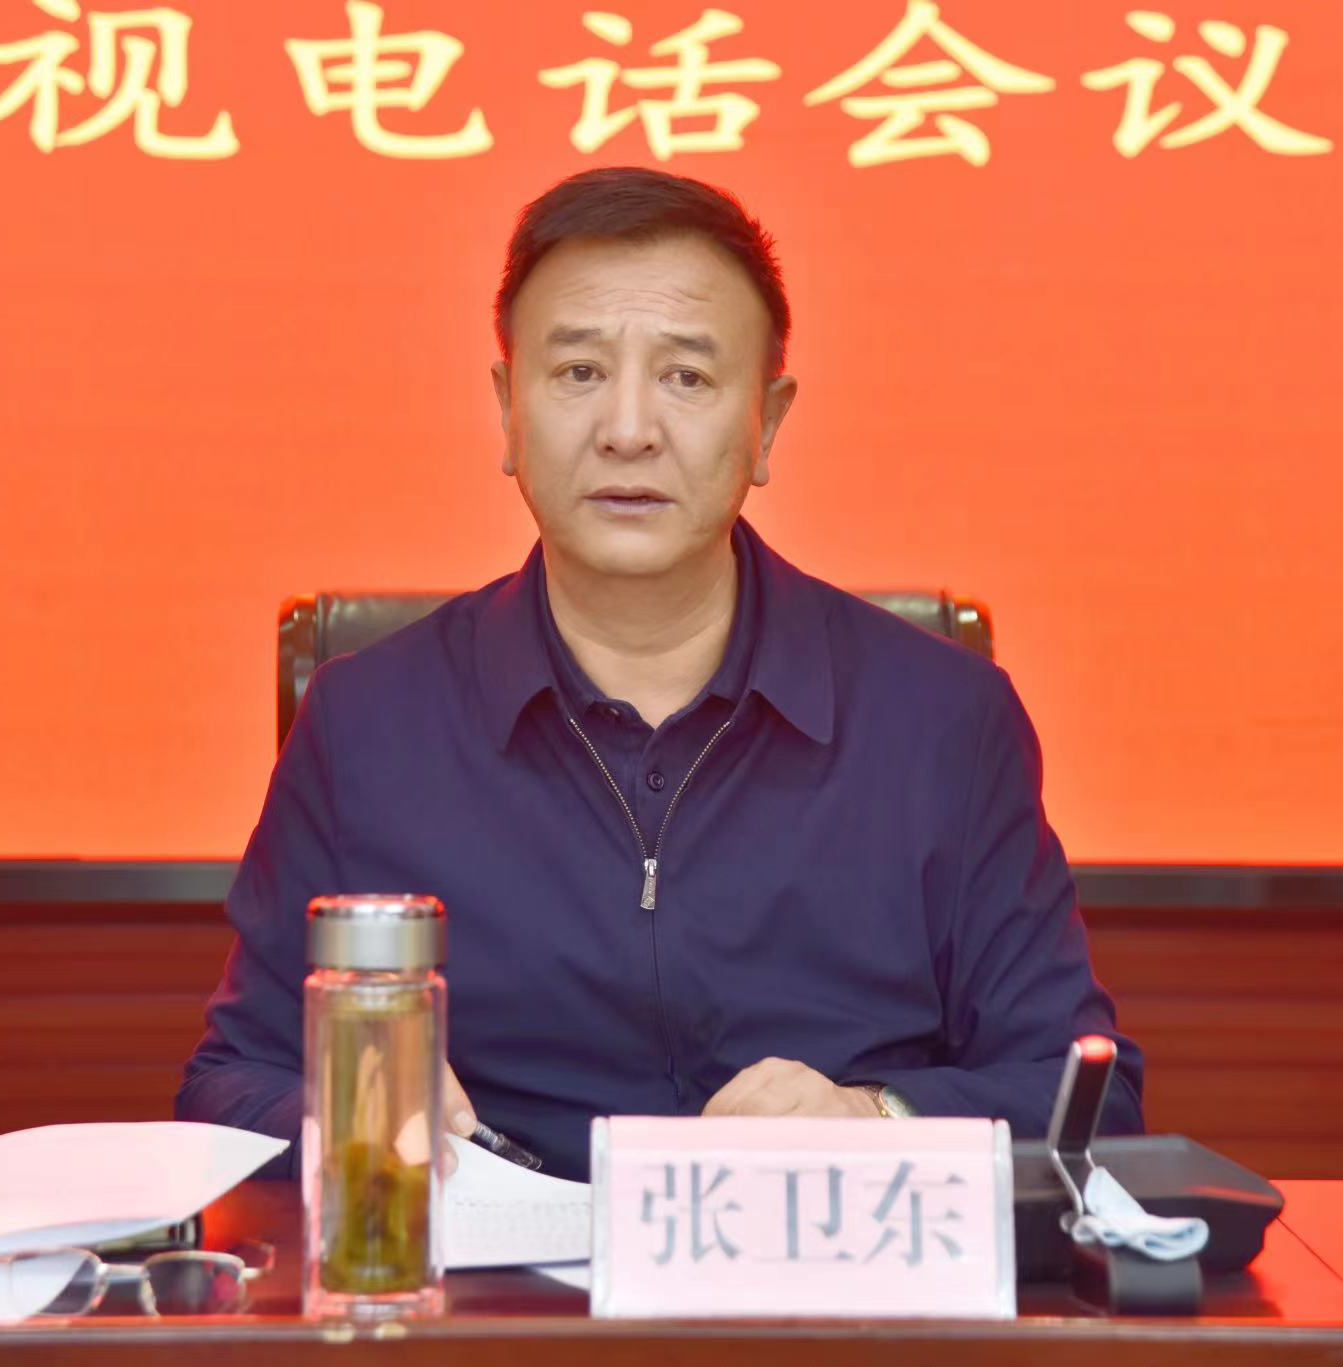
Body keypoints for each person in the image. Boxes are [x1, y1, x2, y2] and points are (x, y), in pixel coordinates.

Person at [179, 166, 1142, 1182]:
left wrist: (874, 1116)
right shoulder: (367, 724)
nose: (628, 428)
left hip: (820, 1270)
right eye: (578, 371)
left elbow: (1088, 1094)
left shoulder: (942, 721)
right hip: (490, 1275)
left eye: (685, 377)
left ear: (766, 422)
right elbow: (233, 1079)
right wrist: (355, 1108)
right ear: (507, 410)